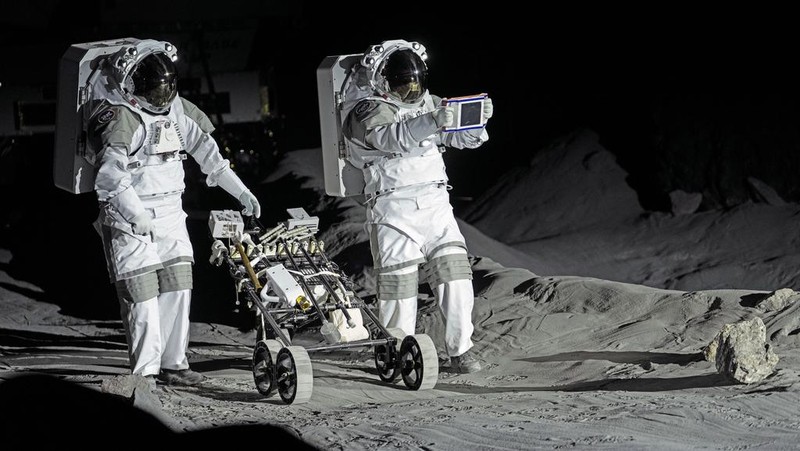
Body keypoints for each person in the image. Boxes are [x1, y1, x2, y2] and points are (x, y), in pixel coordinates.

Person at [89, 39, 261, 386]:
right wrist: (136, 215)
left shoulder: (179, 111)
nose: (160, 98)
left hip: (170, 212)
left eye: (166, 90)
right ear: (132, 86)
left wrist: (241, 190)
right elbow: (110, 177)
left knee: (178, 288)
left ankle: (174, 364)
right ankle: (146, 374)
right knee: (143, 298)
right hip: (130, 217)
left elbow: (210, 155)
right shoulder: (120, 117)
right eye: (153, 91)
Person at [342, 39, 493, 373]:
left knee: (456, 278)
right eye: (402, 82)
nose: (410, 89)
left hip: (436, 207)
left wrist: (475, 124)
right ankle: (396, 353)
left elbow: (460, 138)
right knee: (399, 291)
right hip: (394, 212)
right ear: (382, 80)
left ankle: (461, 350)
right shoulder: (365, 110)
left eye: (415, 81)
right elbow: (390, 138)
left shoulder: (428, 106)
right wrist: (436, 120)